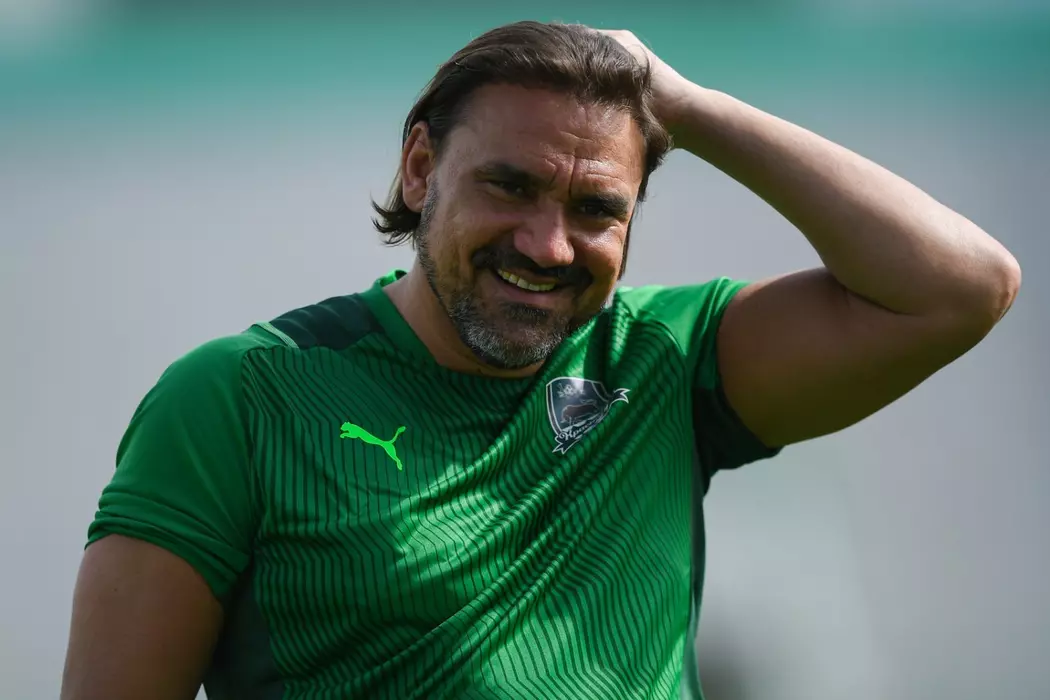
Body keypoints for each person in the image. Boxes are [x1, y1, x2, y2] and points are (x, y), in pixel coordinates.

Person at [60, 20, 1020, 700]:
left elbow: (962, 286)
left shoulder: (662, 359)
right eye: (509, 186)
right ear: (421, 169)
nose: (547, 244)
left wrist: (687, 105)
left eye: (596, 208)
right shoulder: (240, 395)